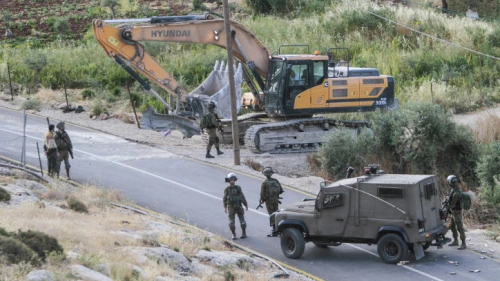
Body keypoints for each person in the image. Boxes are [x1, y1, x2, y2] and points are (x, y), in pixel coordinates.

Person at [223, 172, 248, 240]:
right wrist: (225, 207)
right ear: (229, 180)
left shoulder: (238, 188)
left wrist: (245, 204)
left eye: (233, 180)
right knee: (231, 222)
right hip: (231, 207)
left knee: (242, 221)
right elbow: (224, 199)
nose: (232, 181)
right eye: (231, 180)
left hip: (239, 205)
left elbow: (242, 196)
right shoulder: (227, 189)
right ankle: (233, 234)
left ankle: (244, 233)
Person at [446, 175, 466, 250]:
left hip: (456, 212)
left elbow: (453, 204)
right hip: (454, 212)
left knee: (459, 227)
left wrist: (447, 207)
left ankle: (463, 243)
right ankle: (455, 240)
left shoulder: (456, 193)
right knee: (452, 226)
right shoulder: (454, 190)